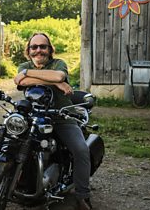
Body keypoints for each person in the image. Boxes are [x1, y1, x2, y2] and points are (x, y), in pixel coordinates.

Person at [13, 33, 92, 210]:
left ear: (50, 49)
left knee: (81, 150)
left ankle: (82, 195)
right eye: (34, 47)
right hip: (33, 117)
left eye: (43, 46)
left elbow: (58, 75)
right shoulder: (23, 65)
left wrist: (29, 75)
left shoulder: (58, 63)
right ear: (29, 50)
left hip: (61, 116)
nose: (38, 50)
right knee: (10, 143)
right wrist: (56, 83)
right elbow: (20, 81)